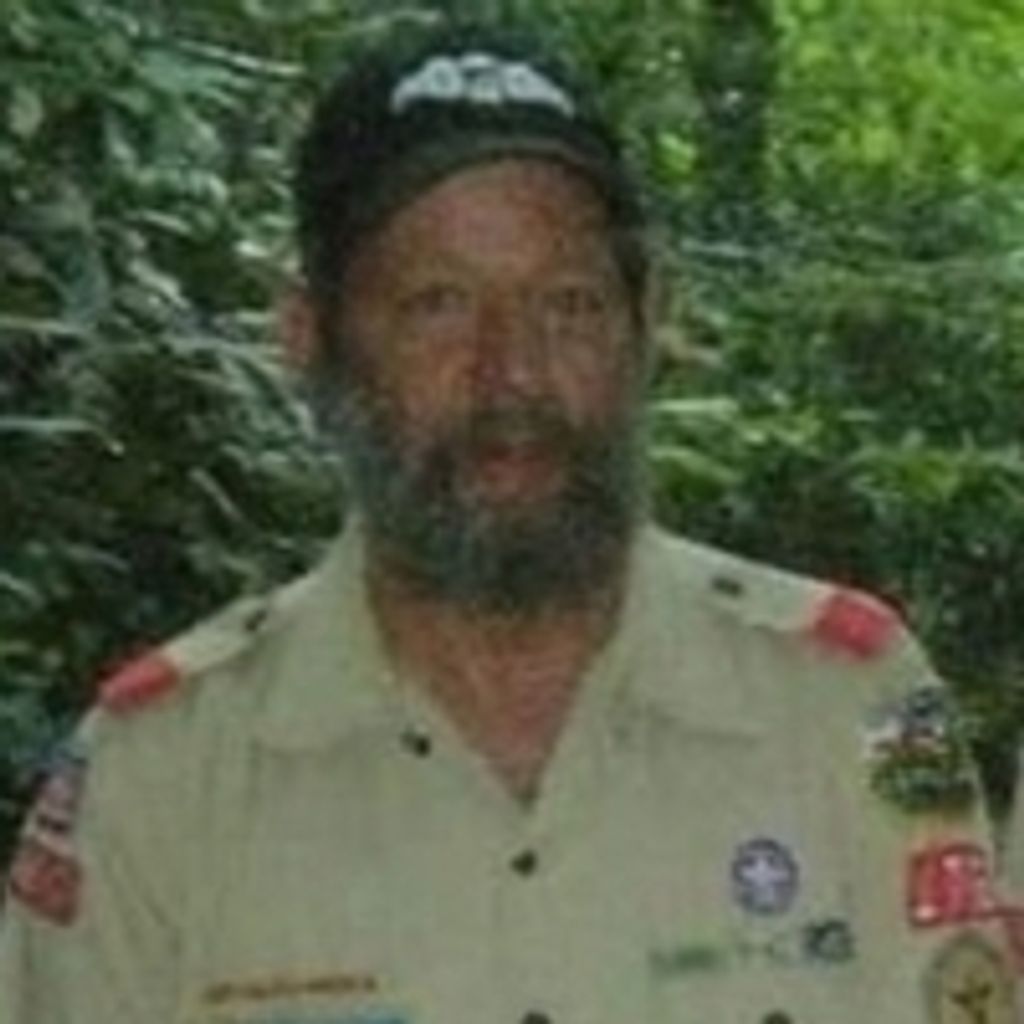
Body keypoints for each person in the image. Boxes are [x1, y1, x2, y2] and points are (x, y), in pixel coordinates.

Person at [0, 18, 1020, 1024]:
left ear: (648, 321)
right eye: (437, 305)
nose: (513, 374)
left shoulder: (842, 703)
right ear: (309, 336)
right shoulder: (163, 777)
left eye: (568, 304)